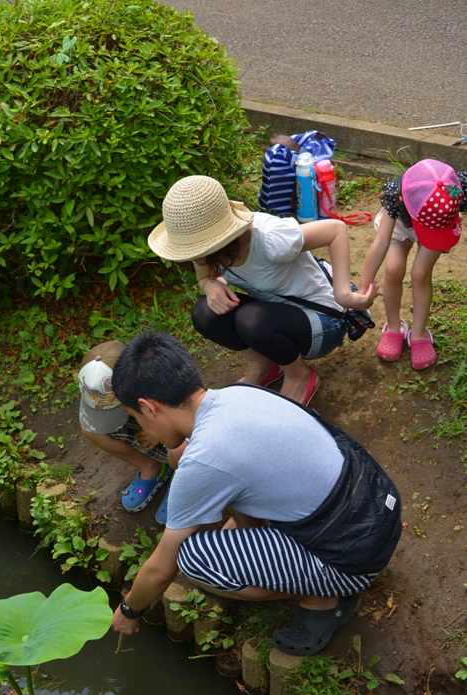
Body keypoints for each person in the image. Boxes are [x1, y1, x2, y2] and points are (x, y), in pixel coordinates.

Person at [111, 332, 402, 656]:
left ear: (149, 407)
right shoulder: (237, 394)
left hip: (352, 557)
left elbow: (162, 568)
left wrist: (128, 610)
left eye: (136, 419)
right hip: (377, 502)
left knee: (192, 560)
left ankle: (323, 598)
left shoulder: (204, 459)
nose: (143, 431)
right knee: (188, 461)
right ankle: (277, 549)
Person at [147, 175, 378, 406]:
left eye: (196, 250)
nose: (193, 257)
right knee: (204, 313)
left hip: (324, 320)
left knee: (252, 319)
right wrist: (210, 285)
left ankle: (299, 376)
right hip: (276, 317)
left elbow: (335, 229)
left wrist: (343, 294)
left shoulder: (270, 241)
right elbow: (205, 276)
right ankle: (266, 364)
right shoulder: (205, 246)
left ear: (219, 239)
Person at [359, 159, 467, 370]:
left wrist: (446, 229)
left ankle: (418, 333)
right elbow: (381, 242)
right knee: (393, 269)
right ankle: (393, 327)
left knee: (420, 273)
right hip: (401, 224)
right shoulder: (394, 194)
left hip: (436, 224)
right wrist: (363, 290)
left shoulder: (455, 188)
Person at [78, 341, 181, 524]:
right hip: (145, 433)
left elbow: (187, 423)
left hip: (176, 440)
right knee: (91, 429)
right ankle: (151, 467)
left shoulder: (161, 383)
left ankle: (180, 483)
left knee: (180, 450)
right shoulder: (95, 387)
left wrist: (158, 431)